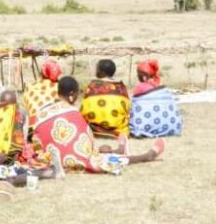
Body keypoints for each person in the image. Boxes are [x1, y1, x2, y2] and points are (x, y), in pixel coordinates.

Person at [34, 77, 164, 175]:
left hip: (49, 161)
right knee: (104, 160)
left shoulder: (42, 112)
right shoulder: (73, 113)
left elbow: (37, 140)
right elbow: (84, 142)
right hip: (73, 161)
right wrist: (96, 151)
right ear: (72, 94)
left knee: (99, 153)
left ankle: (117, 150)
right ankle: (146, 156)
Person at [130, 59, 183, 138]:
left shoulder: (140, 87)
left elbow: (136, 106)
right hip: (171, 126)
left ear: (144, 76)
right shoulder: (159, 87)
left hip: (147, 123)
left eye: (138, 74)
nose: (137, 76)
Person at [79, 59, 131, 138]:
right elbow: (127, 109)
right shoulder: (121, 87)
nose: (95, 71)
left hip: (94, 130)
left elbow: (84, 109)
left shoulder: (92, 86)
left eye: (97, 69)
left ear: (102, 72)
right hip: (118, 131)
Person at [23, 60, 62, 124]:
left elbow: (27, 108)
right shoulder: (60, 88)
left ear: (42, 73)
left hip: (33, 125)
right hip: (54, 123)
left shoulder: (29, 88)